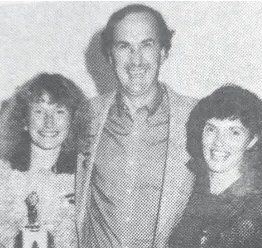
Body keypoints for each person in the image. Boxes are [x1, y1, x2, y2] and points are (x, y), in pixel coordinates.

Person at [75, 4, 197, 248]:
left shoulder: (195, 118)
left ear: (163, 52)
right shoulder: (86, 115)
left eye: (147, 44)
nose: (136, 60)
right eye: (124, 46)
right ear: (110, 56)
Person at [0, 73, 84, 248]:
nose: (49, 122)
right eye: (39, 111)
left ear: (72, 122)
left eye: (59, 111)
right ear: (24, 120)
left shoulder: (87, 179)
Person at [168, 85, 262, 248]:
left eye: (234, 132)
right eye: (211, 129)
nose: (218, 142)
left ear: (252, 140)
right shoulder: (183, 191)